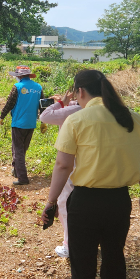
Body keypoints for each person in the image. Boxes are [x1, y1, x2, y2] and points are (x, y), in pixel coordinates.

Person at [41, 69, 140, 279]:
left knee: (83, 269)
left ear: (79, 91)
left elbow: (63, 167)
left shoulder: (76, 119)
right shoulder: (132, 118)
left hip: (85, 202)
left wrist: (51, 202)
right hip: (119, 201)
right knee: (115, 254)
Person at [39, 89, 82, 258]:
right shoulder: (98, 110)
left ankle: (69, 245)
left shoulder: (75, 110)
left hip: (72, 162)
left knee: (64, 202)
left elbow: (45, 116)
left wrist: (61, 102)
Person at [0, 65, 43, 186]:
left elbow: (9, 103)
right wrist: (43, 122)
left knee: (18, 150)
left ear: (20, 76)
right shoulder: (38, 87)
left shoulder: (17, 87)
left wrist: (1, 117)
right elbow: (42, 106)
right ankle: (16, 170)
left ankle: (22, 178)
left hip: (18, 123)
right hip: (31, 123)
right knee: (23, 149)